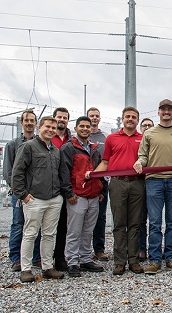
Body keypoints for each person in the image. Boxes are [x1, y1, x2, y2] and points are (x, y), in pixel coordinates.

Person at [134, 99, 172, 274]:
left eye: (169, 110)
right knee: (155, 223)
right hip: (154, 181)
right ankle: (155, 260)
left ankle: (171, 257)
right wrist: (139, 162)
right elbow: (143, 155)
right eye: (163, 109)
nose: (166, 112)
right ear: (158, 112)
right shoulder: (150, 133)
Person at [86, 106, 145, 275]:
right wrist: (92, 174)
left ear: (137, 120)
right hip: (117, 184)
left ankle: (133, 260)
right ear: (122, 118)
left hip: (137, 183)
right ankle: (120, 261)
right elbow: (105, 162)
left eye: (134, 117)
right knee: (119, 223)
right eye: (127, 116)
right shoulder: (112, 138)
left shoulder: (143, 138)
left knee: (135, 223)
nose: (130, 119)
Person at [12, 116, 64, 282]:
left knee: (49, 234)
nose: (50, 130)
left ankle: (48, 266)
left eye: (53, 128)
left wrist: (60, 195)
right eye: (47, 126)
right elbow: (17, 171)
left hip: (54, 199)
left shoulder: (56, 151)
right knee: (30, 233)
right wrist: (23, 195)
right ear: (39, 127)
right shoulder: (28, 147)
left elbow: (59, 173)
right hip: (35, 199)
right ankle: (26, 269)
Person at [60, 116, 106, 277]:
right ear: (76, 128)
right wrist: (69, 193)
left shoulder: (94, 148)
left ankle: (85, 258)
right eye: (82, 126)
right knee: (74, 230)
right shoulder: (69, 148)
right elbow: (64, 172)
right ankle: (72, 261)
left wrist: (101, 191)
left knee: (88, 230)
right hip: (77, 195)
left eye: (87, 126)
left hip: (93, 195)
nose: (85, 129)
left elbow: (99, 171)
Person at [3, 109, 41, 272]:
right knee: (19, 224)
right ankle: (16, 258)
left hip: (37, 192)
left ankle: (36, 257)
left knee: (36, 225)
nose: (29, 123)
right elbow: (8, 171)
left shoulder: (40, 143)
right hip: (20, 193)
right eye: (27, 120)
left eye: (32, 120)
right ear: (21, 123)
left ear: (36, 123)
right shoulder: (13, 145)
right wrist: (18, 190)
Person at [86, 107, 110, 262]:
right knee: (82, 216)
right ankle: (83, 250)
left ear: (99, 119)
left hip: (101, 180)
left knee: (100, 216)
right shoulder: (79, 136)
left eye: (96, 116)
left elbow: (107, 159)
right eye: (91, 116)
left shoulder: (105, 138)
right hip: (83, 180)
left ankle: (99, 249)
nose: (94, 118)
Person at [51, 107, 72, 272]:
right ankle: (39, 258)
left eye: (65, 118)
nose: (62, 120)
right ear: (54, 118)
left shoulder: (70, 141)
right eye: (59, 117)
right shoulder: (47, 139)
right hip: (48, 188)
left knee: (63, 226)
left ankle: (59, 258)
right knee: (45, 226)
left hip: (65, 188)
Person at [138, 117, 154, 260]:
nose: (147, 128)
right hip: (139, 184)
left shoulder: (156, 140)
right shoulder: (137, 140)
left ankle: (155, 249)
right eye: (144, 125)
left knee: (155, 220)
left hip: (155, 183)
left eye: (150, 125)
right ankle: (141, 248)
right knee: (141, 219)